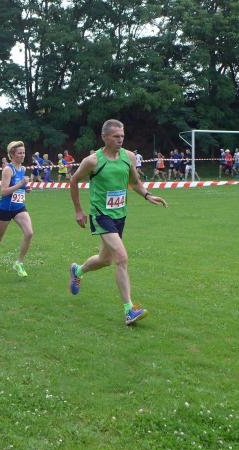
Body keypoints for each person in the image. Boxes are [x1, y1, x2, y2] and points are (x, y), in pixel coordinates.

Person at [68, 119, 168, 326]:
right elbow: (74, 180)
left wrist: (148, 195)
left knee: (105, 260)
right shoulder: (92, 161)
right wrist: (78, 210)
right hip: (101, 215)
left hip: (120, 215)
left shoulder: (128, 157)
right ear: (104, 137)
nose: (120, 139)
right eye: (116, 136)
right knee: (121, 258)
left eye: (122, 136)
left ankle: (78, 270)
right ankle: (129, 310)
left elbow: (135, 183)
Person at [0, 141, 34, 277]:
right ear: (12, 154)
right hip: (5, 208)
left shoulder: (22, 169)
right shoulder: (8, 169)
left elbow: (19, 187)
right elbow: (3, 191)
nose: (22, 155)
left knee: (29, 233)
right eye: (19, 153)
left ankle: (19, 263)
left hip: (19, 207)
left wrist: (26, 188)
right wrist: (21, 184)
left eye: (23, 152)